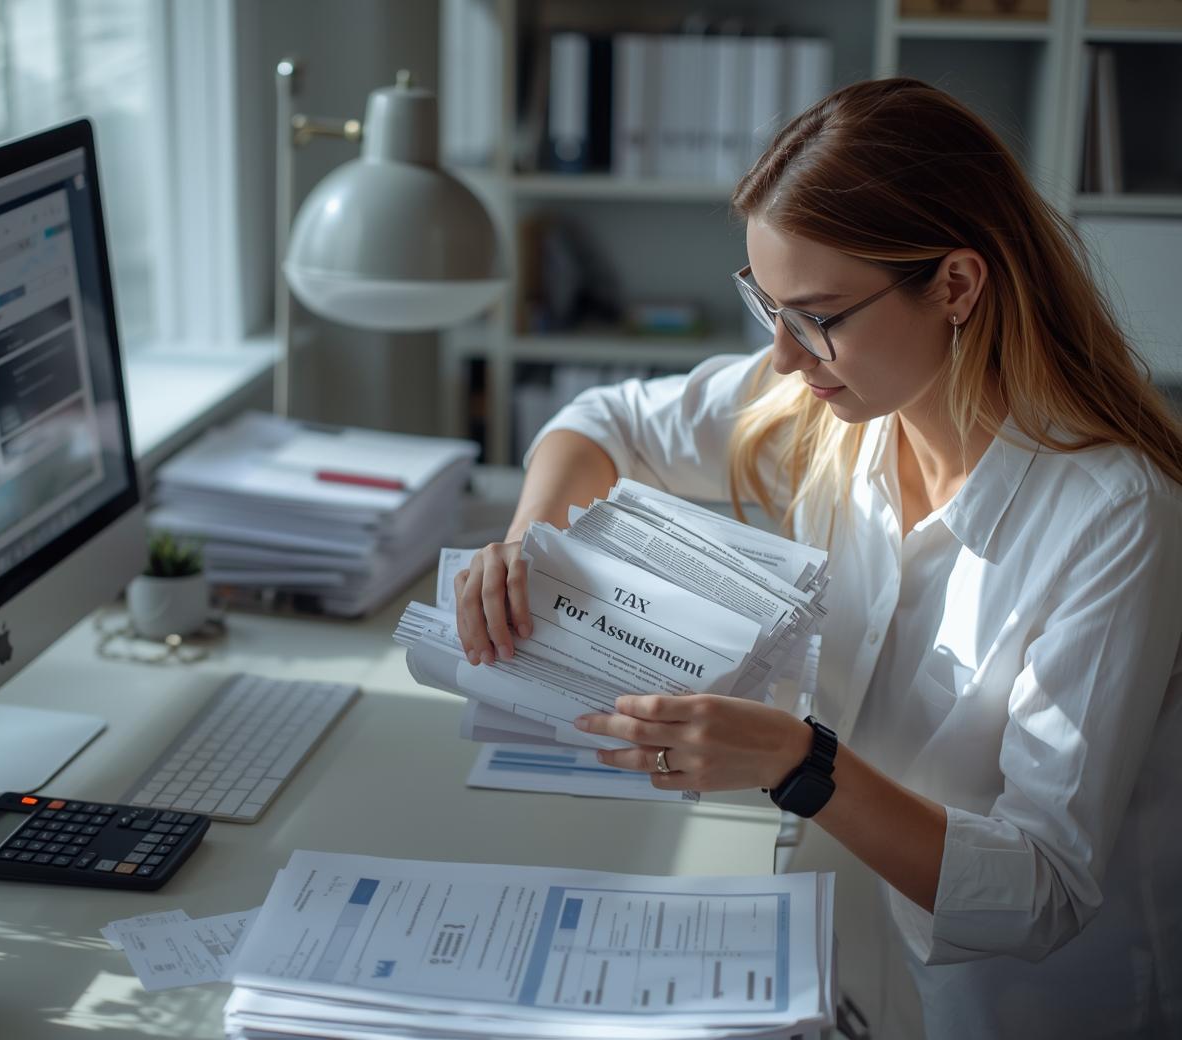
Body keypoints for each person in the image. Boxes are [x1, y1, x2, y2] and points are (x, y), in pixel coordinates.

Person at [453, 78, 1182, 1039]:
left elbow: (1041, 890)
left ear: (957, 285)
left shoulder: (1116, 515)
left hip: (1022, 1008)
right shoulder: (829, 400)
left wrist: (803, 763)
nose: (789, 359)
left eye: (819, 315)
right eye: (769, 307)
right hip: (831, 951)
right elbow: (604, 421)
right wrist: (525, 542)